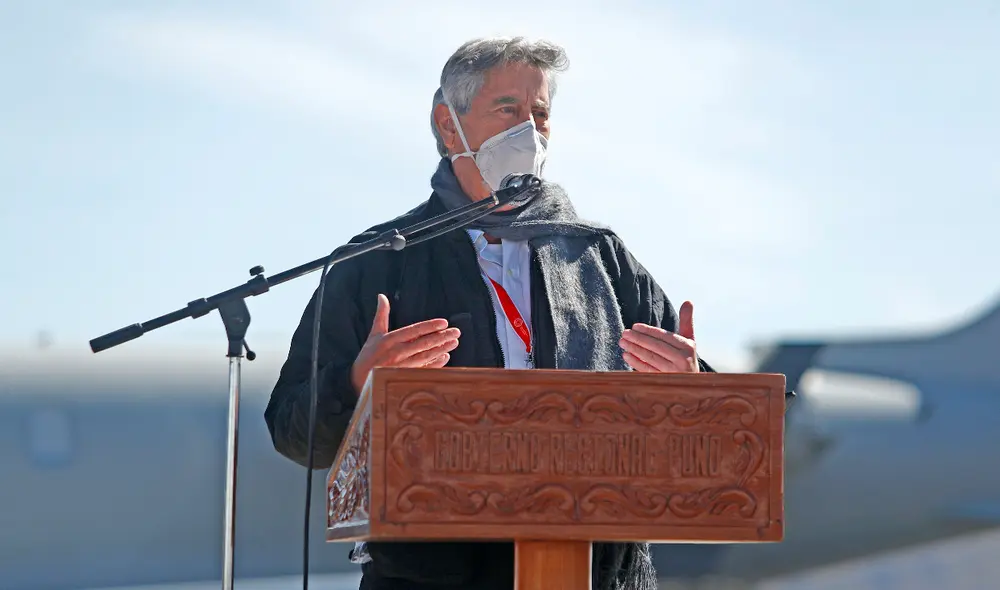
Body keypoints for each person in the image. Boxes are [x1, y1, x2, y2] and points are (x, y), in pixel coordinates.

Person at [265, 36, 713, 590]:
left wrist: (693, 389)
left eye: (540, 114)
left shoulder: (599, 256)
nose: (529, 130)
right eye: (508, 109)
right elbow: (292, 431)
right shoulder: (377, 261)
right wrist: (359, 383)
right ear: (449, 125)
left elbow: (711, 425)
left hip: (598, 572)